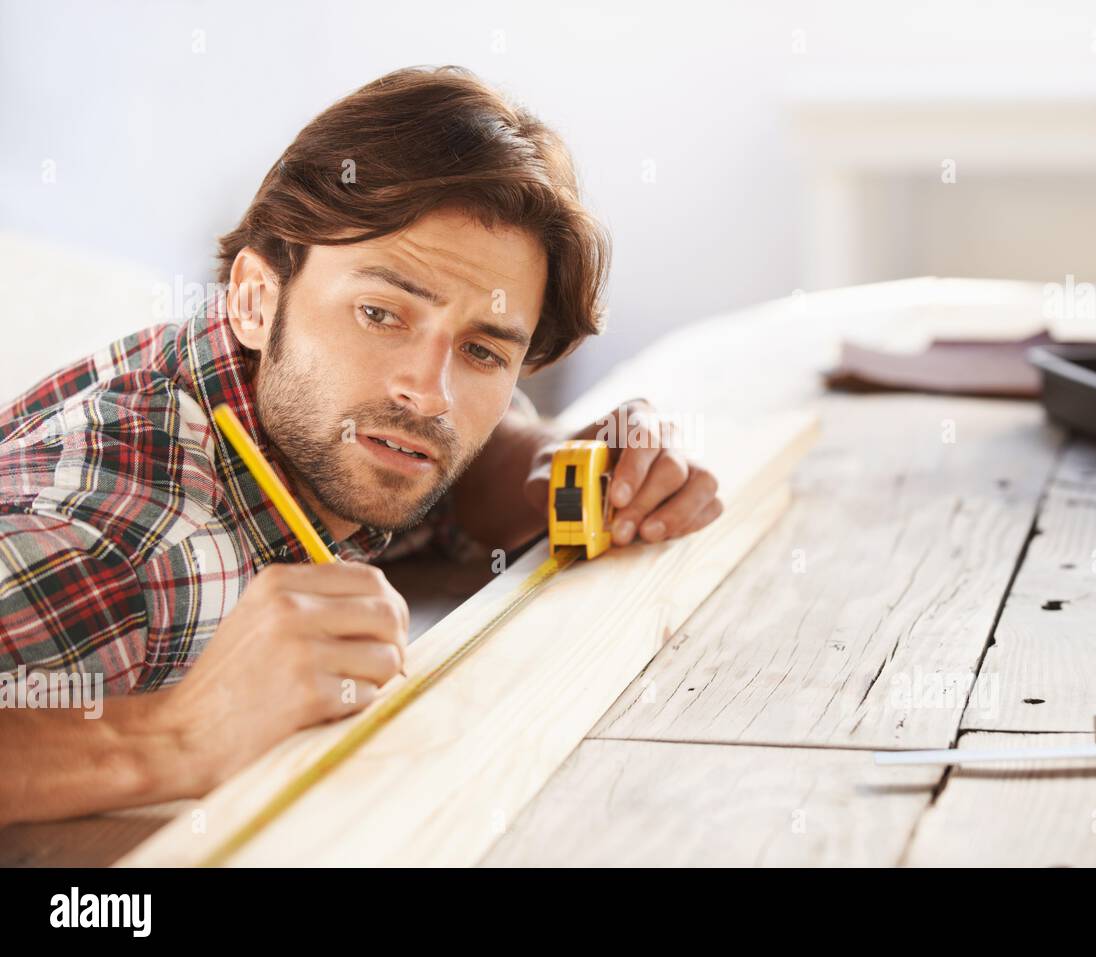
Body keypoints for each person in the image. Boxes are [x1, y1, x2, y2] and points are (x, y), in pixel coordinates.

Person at [0, 66, 721, 824]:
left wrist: (561, 467)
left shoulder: (323, 418)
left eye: (481, 350)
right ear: (254, 300)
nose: (429, 393)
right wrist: (173, 736)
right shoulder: (103, 538)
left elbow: (467, 464)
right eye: (381, 314)